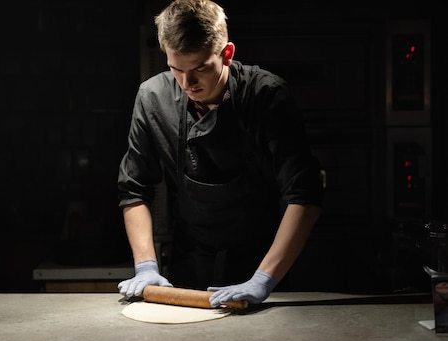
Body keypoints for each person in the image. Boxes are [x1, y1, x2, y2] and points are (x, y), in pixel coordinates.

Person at [116, 0, 325, 308]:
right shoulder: (152, 99)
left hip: (261, 259)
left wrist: (263, 280)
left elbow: (305, 195)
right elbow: (134, 189)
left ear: (227, 54)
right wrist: (146, 266)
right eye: (176, 69)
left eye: (200, 68)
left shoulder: (265, 96)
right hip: (189, 261)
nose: (187, 83)